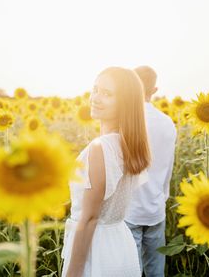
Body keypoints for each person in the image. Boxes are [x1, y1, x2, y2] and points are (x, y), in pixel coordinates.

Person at [61, 66, 151, 277]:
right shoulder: (128, 144)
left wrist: (73, 272)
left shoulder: (100, 147)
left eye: (107, 94)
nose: (96, 98)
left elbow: (90, 217)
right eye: (96, 90)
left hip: (94, 250)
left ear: (125, 103)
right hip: (119, 243)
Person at [125, 66, 177, 277]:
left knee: (131, 272)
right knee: (156, 272)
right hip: (156, 208)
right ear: (154, 89)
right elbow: (169, 167)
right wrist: (161, 197)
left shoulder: (126, 120)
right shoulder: (168, 123)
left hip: (129, 210)